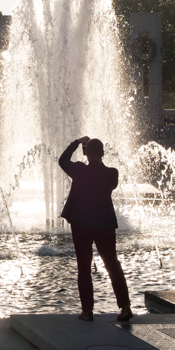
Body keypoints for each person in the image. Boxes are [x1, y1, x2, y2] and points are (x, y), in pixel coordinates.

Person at [58, 136, 131, 322]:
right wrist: (89, 150)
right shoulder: (112, 174)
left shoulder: (79, 170)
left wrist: (76, 142)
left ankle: (87, 311)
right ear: (103, 153)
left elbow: (62, 160)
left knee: (84, 267)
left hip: (81, 224)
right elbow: (104, 179)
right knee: (112, 264)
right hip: (104, 225)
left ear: (85, 153)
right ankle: (125, 307)